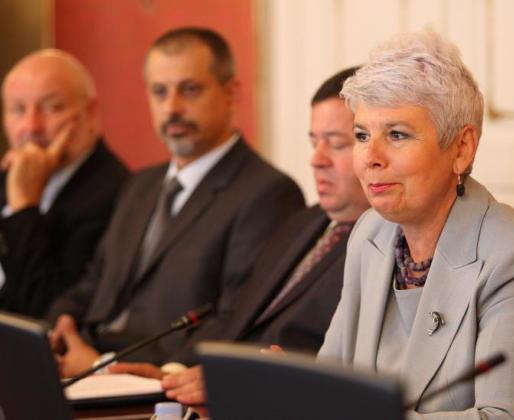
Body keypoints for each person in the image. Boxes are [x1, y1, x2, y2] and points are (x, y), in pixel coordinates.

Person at [47, 27, 304, 377]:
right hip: (82, 366)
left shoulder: (268, 193)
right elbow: (95, 280)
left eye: (190, 89)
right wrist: (61, 323)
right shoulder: (140, 184)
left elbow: (234, 320)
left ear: (230, 93)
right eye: (159, 92)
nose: (172, 108)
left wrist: (100, 369)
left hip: (153, 383)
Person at [318, 31, 514, 418]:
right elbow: (328, 385)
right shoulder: (369, 234)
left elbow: (508, 417)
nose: (371, 156)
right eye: (361, 135)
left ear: (461, 148)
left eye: (396, 134)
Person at [110, 67, 371, 410]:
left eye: (336, 144)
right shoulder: (303, 223)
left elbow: (341, 365)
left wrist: (240, 383)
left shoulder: (388, 245)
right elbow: (238, 317)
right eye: (313, 142)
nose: (316, 160)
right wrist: (173, 374)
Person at [0, 49, 129, 317]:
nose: (32, 127)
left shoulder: (117, 194)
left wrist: (24, 207)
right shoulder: (8, 176)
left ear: (90, 113)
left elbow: (46, 309)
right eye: (18, 109)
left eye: (52, 108)